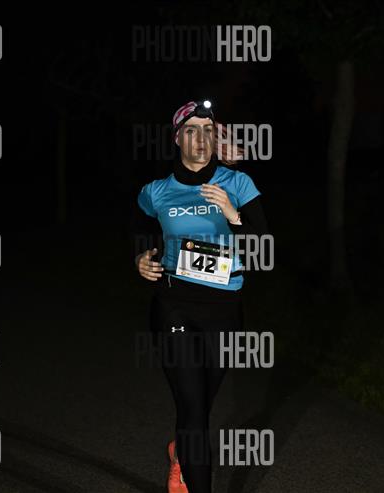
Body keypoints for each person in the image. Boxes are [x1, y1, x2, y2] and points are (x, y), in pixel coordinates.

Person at [134, 100, 268, 493]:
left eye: (207, 130)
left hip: (225, 310)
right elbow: (139, 232)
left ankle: (182, 452)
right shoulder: (156, 192)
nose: (200, 138)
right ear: (177, 139)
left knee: (200, 403)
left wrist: (233, 214)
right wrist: (140, 258)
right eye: (191, 130)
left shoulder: (238, 184)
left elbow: (263, 249)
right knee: (193, 411)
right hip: (174, 306)